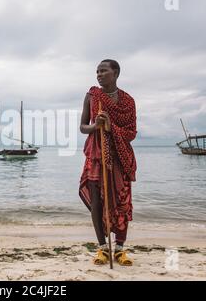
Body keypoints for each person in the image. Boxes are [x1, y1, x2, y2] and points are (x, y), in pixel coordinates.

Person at [79, 59, 137, 266]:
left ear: (116, 73)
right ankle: (103, 248)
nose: (99, 75)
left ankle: (120, 248)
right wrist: (96, 125)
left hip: (120, 157)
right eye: (97, 72)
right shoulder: (92, 96)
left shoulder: (128, 101)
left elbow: (131, 133)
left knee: (121, 202)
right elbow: (83, 127)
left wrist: (111, 128)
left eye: (103, 71)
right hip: (96, 154)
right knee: (97, 201)